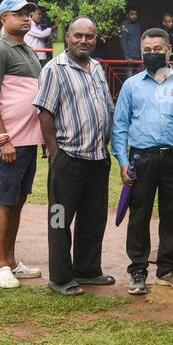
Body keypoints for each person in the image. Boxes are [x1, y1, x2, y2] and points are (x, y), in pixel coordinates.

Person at [112, 26, 173, 295]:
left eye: (158, 49)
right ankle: (138, 270)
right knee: (139, 215)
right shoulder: (131, 85)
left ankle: (167, 269)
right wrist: (123, 161)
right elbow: (120, 125)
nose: (152, 54)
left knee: (172, 215)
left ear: (169, 51)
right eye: (147, 50)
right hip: (142, 158)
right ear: (141, 53)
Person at [36, 16, 115, 296]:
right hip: (67, 159)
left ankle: (88, 270)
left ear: (96, 39)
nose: (84, 41)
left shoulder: (97, 68)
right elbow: (45, 113)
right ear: (68, 36)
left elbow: (106, 106)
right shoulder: (54, 69)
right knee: (59, 219)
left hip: (97, 159)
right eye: (78, 35)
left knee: (93, 219)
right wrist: (55, 153)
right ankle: (60, 276)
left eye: (90, 37)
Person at [0, 0, 47, 289]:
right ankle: (0, 266)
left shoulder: (29, 51)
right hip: (9, 143)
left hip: (28, 142)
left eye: (28, 13)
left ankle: (11, 261)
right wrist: (3, 138)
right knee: (6, 203)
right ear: (3, 19)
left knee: (19, 201)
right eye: (19, 14)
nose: (26, 18)